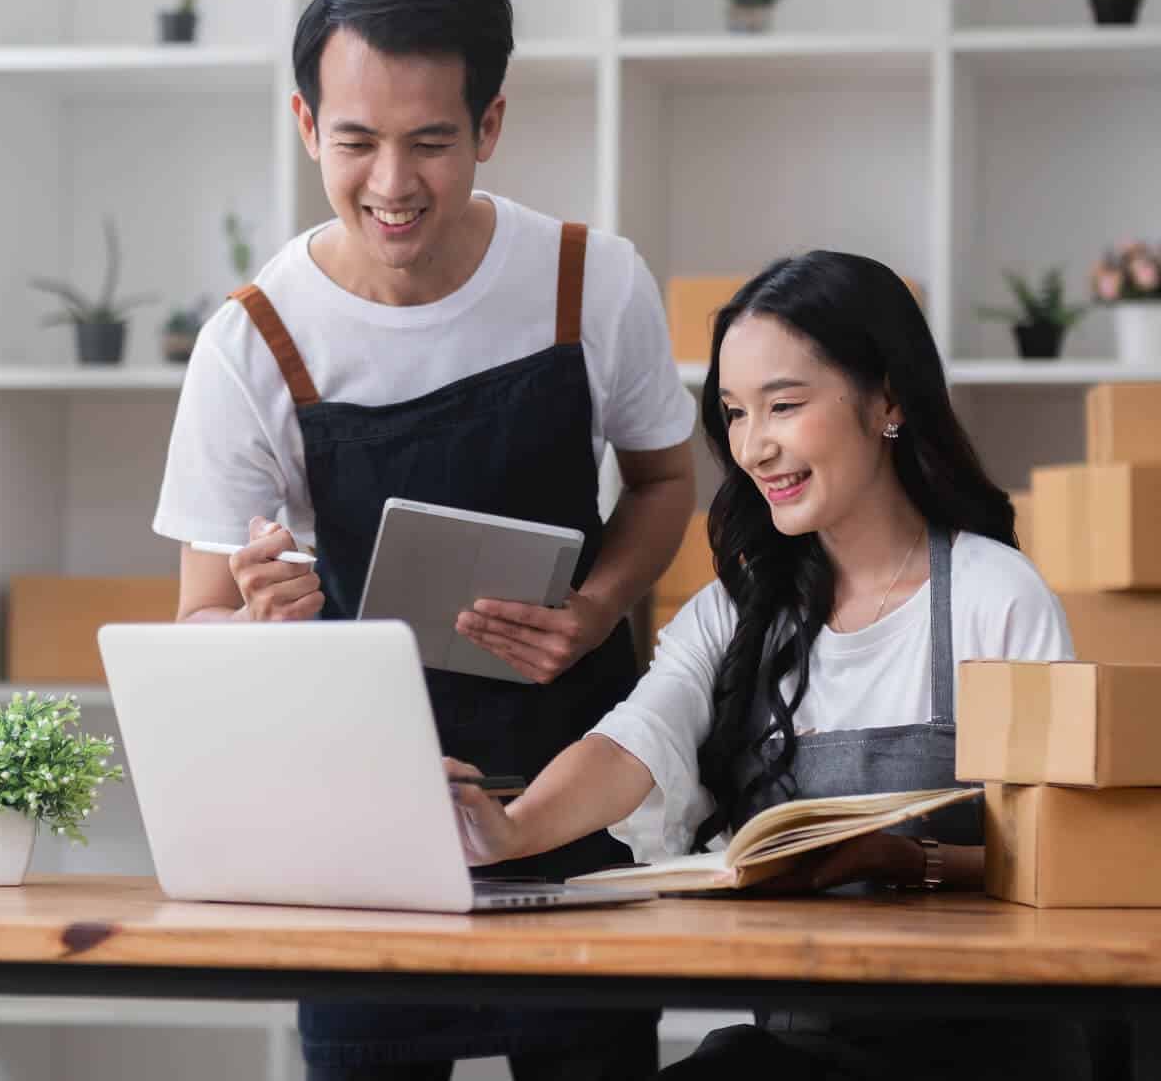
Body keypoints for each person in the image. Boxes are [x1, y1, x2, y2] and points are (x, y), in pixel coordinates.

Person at [152, 0, 698, 1079]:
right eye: (354, 141)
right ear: (306, 123)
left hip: (572, 805)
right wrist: (259, 631)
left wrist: (595, 608)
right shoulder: (253, 341)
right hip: (364, 829)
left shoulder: (589, 282)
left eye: (429, 142)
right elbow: (198, 621)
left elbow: (662, 484)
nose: (390, 182)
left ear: (488, 125)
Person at [449, 251, 1090, 1080]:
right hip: (804, 1048)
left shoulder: (994, 596)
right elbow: (639, 736)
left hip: (990, 1051)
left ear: (888, 398)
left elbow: (1069, 854)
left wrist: (909, 862)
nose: (755, 447)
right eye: (734, 413)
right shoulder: (741, 609)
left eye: (784, 405)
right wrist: (511, 828)